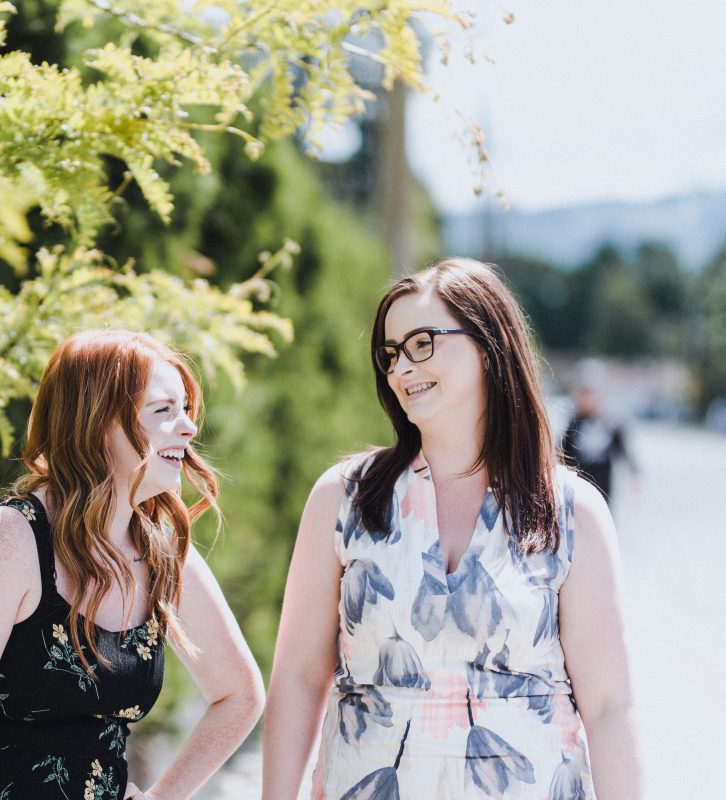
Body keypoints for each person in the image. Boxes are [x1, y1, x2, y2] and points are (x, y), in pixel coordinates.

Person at [262, 259, 643, 799]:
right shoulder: (342, 497)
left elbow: (609, 706)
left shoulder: (570, 510)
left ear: (488, 347)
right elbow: (299, 678)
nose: (401, 368)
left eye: (423, 343)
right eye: (390, 354)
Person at [0, 329, 264, 800]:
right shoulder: (11, 538)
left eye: (187, 410)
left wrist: (161, 796)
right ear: (98, 423)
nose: (189, 428)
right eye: (163, 411)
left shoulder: (162, 551)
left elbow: (240, 695)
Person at [561, 360, 637, 501]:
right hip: (576, 490)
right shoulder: (572, 423)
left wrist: (634, 474)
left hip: (603, 489)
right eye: (583, 393)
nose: (587, 398)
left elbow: (622, 450)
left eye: (591, 393)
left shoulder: (611, 423)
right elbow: (562, 453)